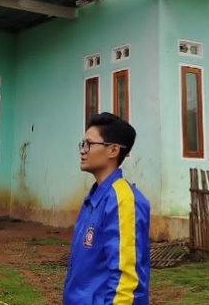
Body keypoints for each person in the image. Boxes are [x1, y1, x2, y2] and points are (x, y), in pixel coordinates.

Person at [63, 112, 150, 305]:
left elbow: (127, 281)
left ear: (113, 150)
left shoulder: (122, 200)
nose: (83, 150)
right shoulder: (93, 199)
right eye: (82, 144)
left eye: (89, 144)